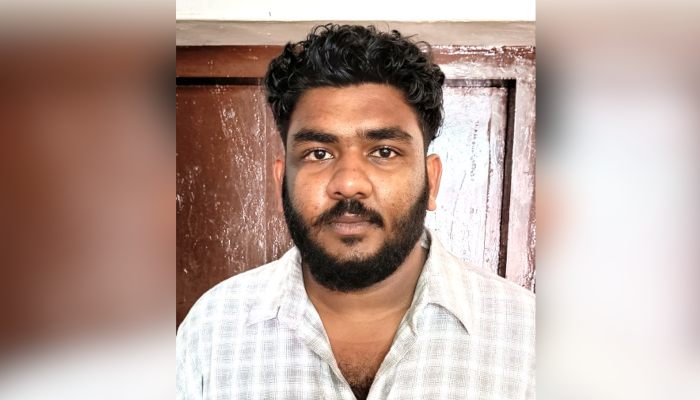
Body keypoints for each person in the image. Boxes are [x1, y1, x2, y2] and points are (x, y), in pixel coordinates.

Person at [176, 24, 535, 400]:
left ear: (431, 180)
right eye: (318, 153)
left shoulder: (528, 336)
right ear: (282, 181)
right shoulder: (211, 330)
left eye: (384, 151)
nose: (348, 184)